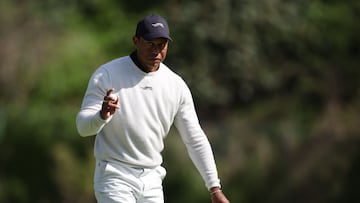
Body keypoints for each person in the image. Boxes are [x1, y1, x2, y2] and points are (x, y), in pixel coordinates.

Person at [76, 13, 230, 203]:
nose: (156, 51)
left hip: (152, 181)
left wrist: (214, 187)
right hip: (114, 175)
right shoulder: (107, 74)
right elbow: (82, 127)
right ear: (136, 41)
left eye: (161, 45)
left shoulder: (175, 85)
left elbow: (194, 138)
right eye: (150, 43)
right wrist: (101, 115)